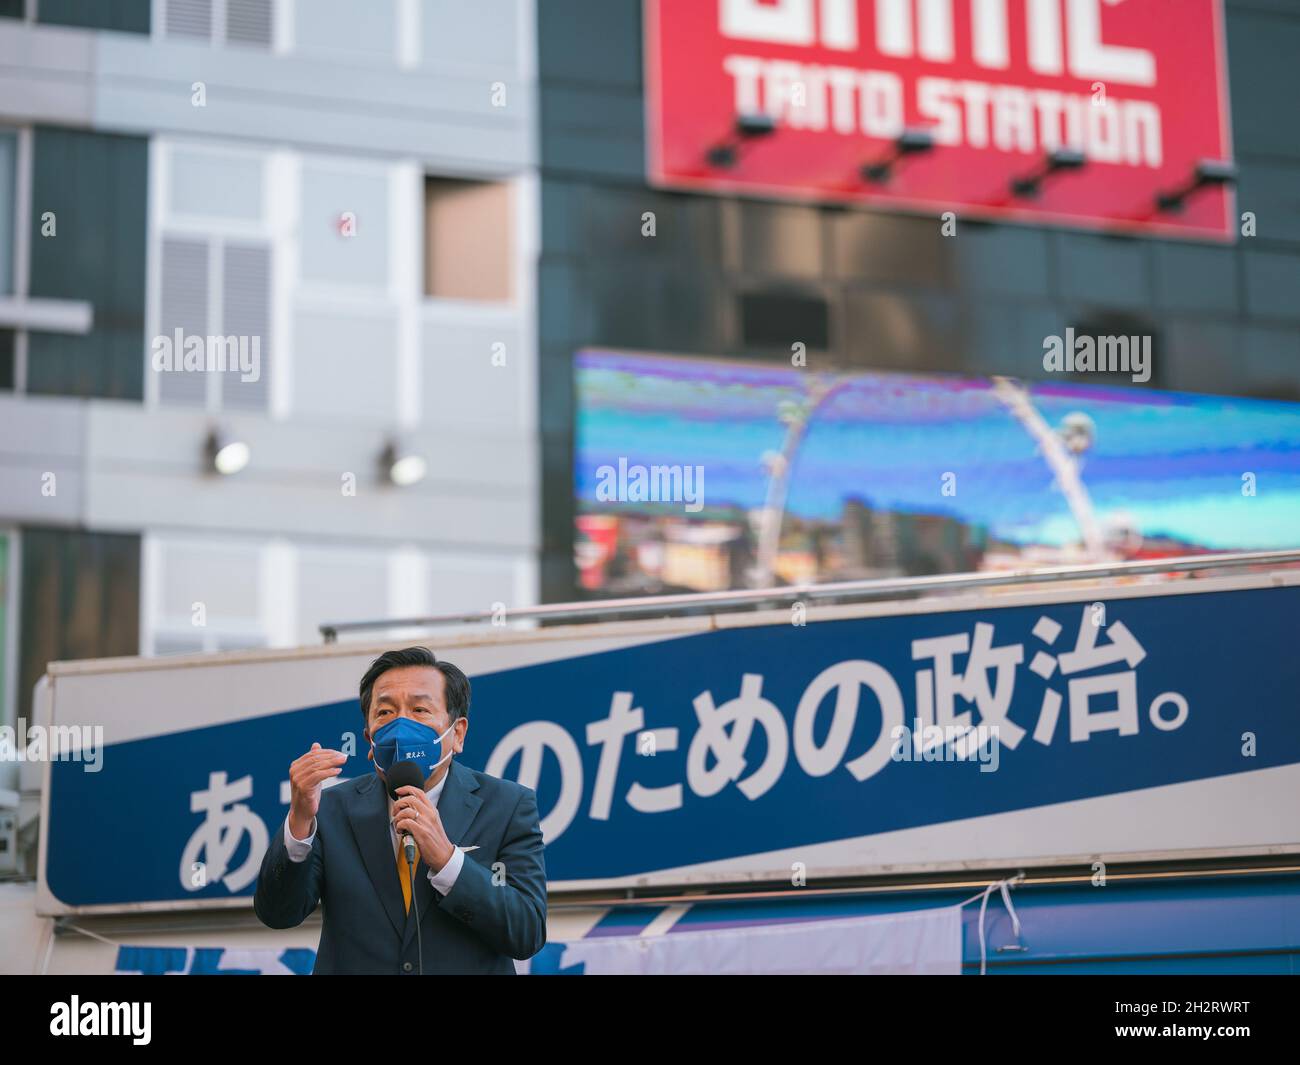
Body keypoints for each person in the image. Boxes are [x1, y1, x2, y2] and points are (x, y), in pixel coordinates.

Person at [253, 646, 547, 974]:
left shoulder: (507, 806)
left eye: (420, 709)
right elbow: (278, 914)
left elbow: (527, 932)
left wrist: (449, 861)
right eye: (385, 713)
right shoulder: (331, 809)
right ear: (369, 738)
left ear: (458, 733)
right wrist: (300, 820)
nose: (401, 725)